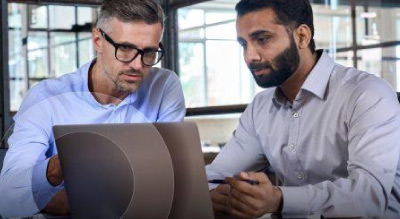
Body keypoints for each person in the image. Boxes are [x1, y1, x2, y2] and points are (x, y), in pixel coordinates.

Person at [206, 0, 400, 218]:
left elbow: (368, 197)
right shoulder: (260, 108)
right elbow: (214, 177)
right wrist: (213, 195)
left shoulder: (367, 94)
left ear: (302, 37)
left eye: (262, 39)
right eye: (244, 44)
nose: (250, 56)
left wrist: (280, 199)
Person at [0, 0, 185, 217]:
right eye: (125, 48)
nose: (138, 65)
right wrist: (57, 167)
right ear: (98, 39)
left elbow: (167, 181)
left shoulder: (164, 87)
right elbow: (7, 201)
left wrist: (70, 198)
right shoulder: (46, 98)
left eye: (149, 52)